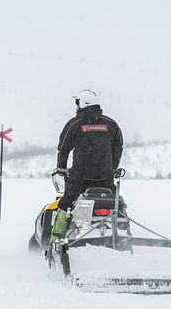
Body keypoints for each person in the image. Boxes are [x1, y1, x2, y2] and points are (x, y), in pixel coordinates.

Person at [50, 89, 124, 241]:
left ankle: (56, 239)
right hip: (105, 179)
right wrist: (112, 168)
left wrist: (62, 168)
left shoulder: (75, 124)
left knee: (65, 205)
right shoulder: (111, 124)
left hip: (80, 178)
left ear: (82, 104)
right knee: (116, 204)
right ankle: (122, 233)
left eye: (76, 104)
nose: (75, 107)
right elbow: (118, 146)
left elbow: (63, 148)